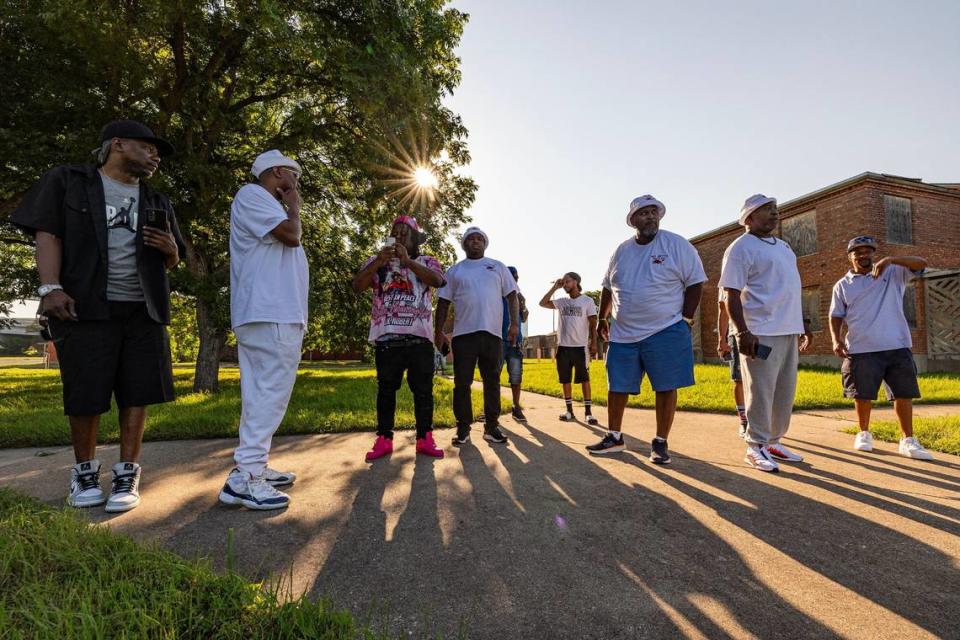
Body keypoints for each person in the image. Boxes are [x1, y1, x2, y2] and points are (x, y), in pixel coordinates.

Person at [11, 120, 184, 512]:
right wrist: (50, 287)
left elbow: (172, 261)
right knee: (85, 394)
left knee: (138, 391)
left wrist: (171, 250)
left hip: (143, 309)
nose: (156, 155)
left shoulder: (158, 201)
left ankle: (127, 472)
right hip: (85, 306)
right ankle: (85, 473)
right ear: (118, 144)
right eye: (148, 146)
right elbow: (47, 233)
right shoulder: (69, 181)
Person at [218, 150, 308, 510]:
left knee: (261, 392)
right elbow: (291, 235)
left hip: (270, 311)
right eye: (293, 177)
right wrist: (294, 206)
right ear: (275, 172)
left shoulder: (258, 202)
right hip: (271, 311)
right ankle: (247, 478)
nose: (296, 184)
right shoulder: (253, 195)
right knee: (271, 391)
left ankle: (251, 466)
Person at [588, 195, 706, 464]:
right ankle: (614, 436)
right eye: (643, 213)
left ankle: (660, 442)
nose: (650, 216)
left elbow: (696, 282)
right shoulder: (621, 251)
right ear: (633, 221)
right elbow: (608, 286)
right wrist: (602, 318)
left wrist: (686, 320)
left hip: (665, 329)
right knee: (616, 385)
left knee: (665, 386)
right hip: (623, 333)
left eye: (654, 212)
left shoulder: (676, 244)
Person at [720, 194, 814, 473]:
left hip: (788, 329)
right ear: (749, 217)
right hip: (760, 331)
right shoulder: (740, 248)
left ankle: (773, 441)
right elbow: (730, 294)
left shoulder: (784, 247)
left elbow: (790, 288)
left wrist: (803, 323)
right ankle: (754, 446)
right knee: (760, 391)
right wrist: (742, 332)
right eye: (767, 210)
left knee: (784, 392)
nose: (775, 214)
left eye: (775, 209)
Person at [829, 236, 932, 460]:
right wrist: (836, 340)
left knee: (903, 394)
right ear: (850, 257)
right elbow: (835, 315)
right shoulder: (842, 285)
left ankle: (907, 440)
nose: (863, 255)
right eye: (858, 252)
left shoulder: (893, 272)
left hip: (896, 344)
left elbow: (921, 263)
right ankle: (864, 433)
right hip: (861, 347)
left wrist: (890, 259)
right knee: (862, 395)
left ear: (873, 254)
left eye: (868, 251)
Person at [352, 215, 446, 461]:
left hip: (419, 340)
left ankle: (425, 439)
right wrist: (378, 263)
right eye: (397, 232)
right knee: (386, 390)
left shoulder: (427, 260)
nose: (401, 236)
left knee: (423, 391)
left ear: (415, 238)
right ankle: (384, 439)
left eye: (406, 233)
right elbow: (357, 286)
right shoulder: (377, 261)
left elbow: (438, 281)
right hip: (387, 339)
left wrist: (408, 262)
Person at [435, 227, 519, 446]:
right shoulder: (455, 271)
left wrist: (514, 326)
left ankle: (491, 427)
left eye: (479, 239)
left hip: (492, 335)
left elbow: (512, 297)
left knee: (492, 382)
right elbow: (443, 303)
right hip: (464, 336)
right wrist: (438, 332)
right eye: (470, 239)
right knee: (462, 383)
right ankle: (463, 428)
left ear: (485, 243)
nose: (475, 242)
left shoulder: (498, 267)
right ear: (464, 245)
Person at [539, 272, 599, 424]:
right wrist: (555, 287)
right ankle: (569, 411)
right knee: (565, 380)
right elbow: (542, 303)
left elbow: (593, 323)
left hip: (580, 347)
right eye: (563, 282)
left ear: (576, 282)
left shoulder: (587, 301)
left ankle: (588, 412)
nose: (564, 284)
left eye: (567, 281)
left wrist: (593, 342)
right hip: (563, 347)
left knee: (585, 379)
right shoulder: (562, 302)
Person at [717, 287, 749, 438]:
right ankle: (744, 421)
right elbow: (723, 310)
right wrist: (721, 340)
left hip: (761, 331)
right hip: (735, 334)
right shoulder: (726, 280)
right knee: (739, 379)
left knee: (764, 380)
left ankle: (764, 422)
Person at [501, 266, 529, 422]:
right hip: (498, 340)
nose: (516, 280)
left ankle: (516, 407)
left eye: (517, 277)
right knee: (493, 377)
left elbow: (524, 318)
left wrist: (523, 305)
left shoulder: (519, 296)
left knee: (516, 377)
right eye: (513, 277)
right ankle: (491, 408)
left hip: (515, 342)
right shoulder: (497, 294)